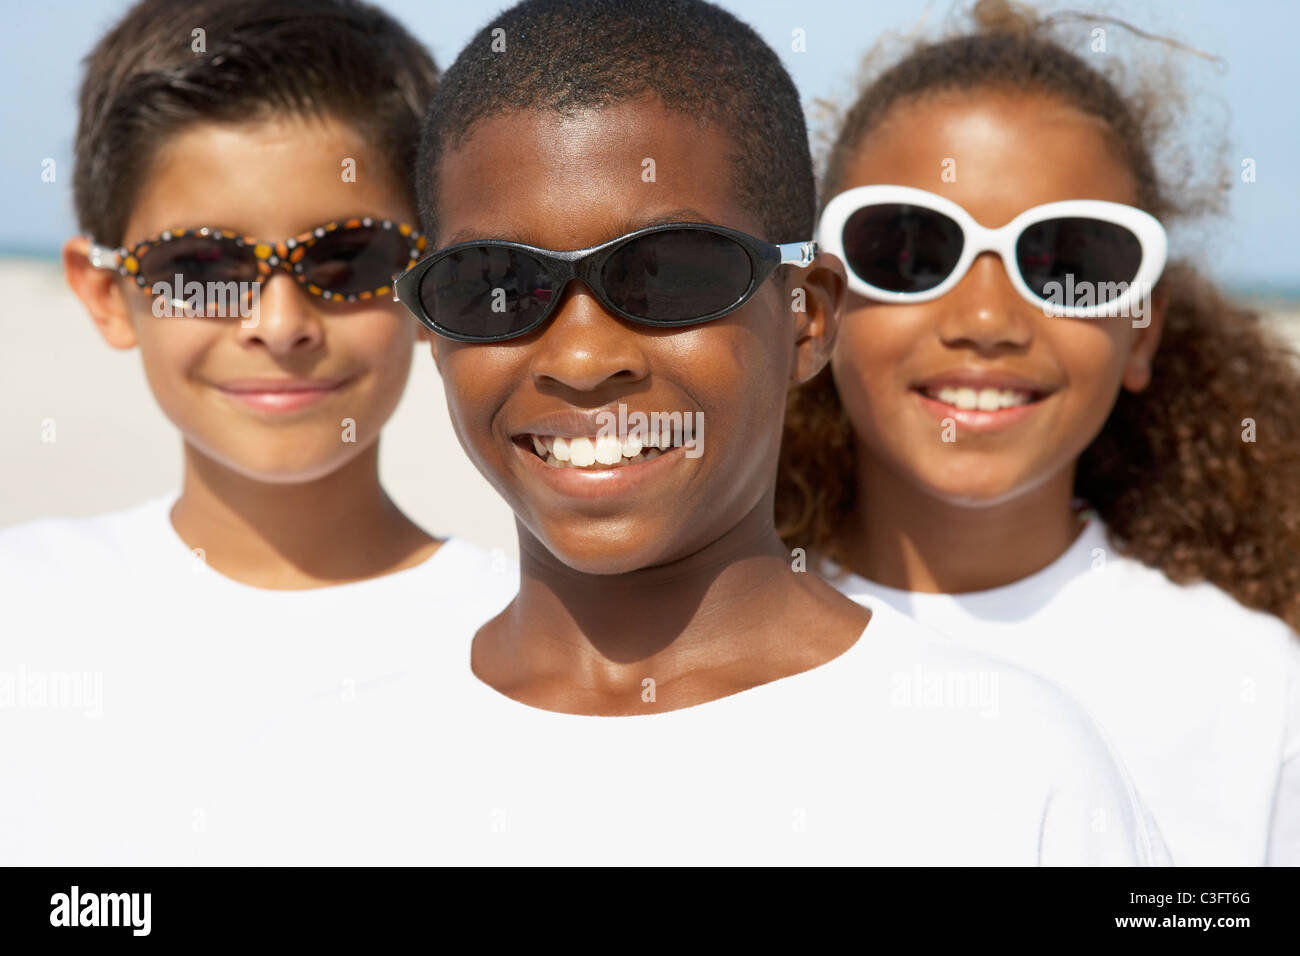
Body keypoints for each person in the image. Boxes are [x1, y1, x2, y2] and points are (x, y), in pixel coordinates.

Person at [390, 0, 1169, 865]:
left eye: (669, 275)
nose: (579, 357)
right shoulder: (353, 756)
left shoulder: (1007, 768)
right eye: (494, 285)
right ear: (431, 326)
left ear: (806, 319)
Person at [778, 0, 1300, 864]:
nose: (987, 318)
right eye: (910, 249)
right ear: (819, 307)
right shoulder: (688, 641)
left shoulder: (1254, 693)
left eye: (1069, 262)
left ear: (1142, 329)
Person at [0, 0, 516, 865]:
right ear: (105, 294)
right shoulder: (22, 605)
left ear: (429, 286)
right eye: (201, 266)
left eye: (348, 259)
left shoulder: (544, 640)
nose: (278, 325)